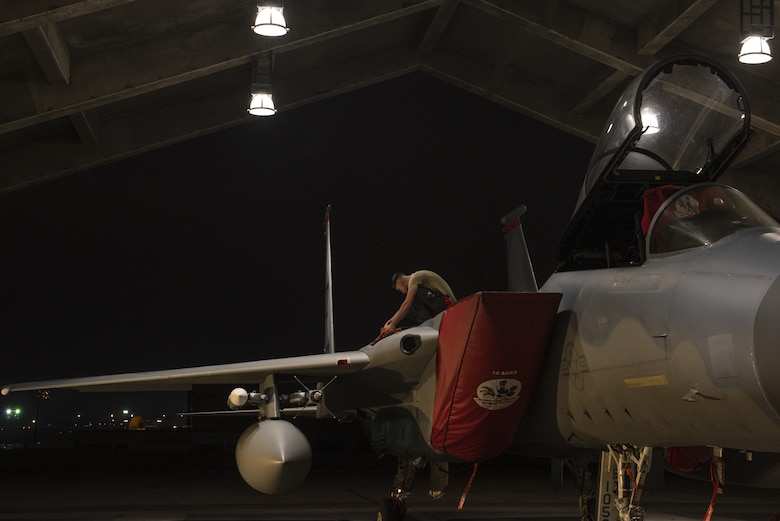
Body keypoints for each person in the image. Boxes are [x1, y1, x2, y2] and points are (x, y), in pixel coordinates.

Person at [383, 270, 456, 330]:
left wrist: (393, 325)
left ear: (399, 282)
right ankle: (427, 323)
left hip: (447, 303)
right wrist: (392, 320)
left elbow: (407, 303)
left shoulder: (415, 277)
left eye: (399, 289)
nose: (402, 292)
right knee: (408, 310)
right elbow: (404, 308)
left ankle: (427, 326)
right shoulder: (416, 281)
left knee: (411, 298)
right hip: (439, 304)